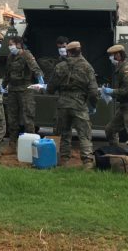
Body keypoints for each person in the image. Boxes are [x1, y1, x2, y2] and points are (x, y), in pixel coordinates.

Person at [46, 41, 98, 169]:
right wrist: (93, 104)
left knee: (65, 132)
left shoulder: (60, 66)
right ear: (80, 51)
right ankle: (87, 162)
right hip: (79, 104)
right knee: (84, 134)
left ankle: (64, 161)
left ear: (68, 52)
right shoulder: (87, 67)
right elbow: (93, 91)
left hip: (63, 104)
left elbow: (50, 88)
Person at [3, 36, 44, 153]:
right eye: (9, 45)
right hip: (12, 90)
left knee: (28, 118)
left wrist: (40, 79)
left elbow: (36, 68)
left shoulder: (26, 55)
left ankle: (31, 146)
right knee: (12, 118)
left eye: (11, 44)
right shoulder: (10, 57)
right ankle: (12, 145)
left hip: (25, 90)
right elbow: (7, 73)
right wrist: (3, 86)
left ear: (19, 44)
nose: (10, 47)